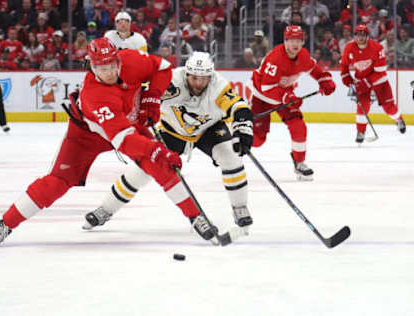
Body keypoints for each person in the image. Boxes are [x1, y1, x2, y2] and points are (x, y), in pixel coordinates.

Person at [0, 38, 219, 248]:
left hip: (127, 125)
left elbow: (164, 68)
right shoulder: (95, 95)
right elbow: (124, 142)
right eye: (102, 68)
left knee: (161, 167)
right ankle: (5, 224)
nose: (110, 72)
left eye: (113, 64)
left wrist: (152, 98)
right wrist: (157, 149)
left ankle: (195, 217)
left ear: (119, 59)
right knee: (58, 183)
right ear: (91, 67)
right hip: (87, 136)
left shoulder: (131, 60)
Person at [82, 51, 254, 232]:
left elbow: (238, 106)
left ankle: (239, 207)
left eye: (203, 78)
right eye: (194, 77)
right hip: (172, 131)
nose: (198, 83)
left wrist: (244, 129)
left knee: (231, 157)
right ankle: (106, 209)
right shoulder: (172, 80)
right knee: (143, 169)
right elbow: (142, 92)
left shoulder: (218, 85)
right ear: (187, 73)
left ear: (210, 76)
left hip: (209, 129)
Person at [249, 25, 336, 181]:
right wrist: (286, 97)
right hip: (261, 97)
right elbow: (267, 88)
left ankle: (300, 162)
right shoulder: (275, 58)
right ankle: (235, 141)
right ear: (285, 41)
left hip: (284, 95)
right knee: (257, 140)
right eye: (291, 40)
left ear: (303, 42)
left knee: (298, 125)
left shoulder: (302, 55)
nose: (295, 44)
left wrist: (324, 79)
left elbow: (314, 69)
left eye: (298, 40)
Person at [341, 24, 406, 144]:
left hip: (379, 81)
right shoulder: (349, 48)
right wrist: (347, 79)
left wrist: (366, 82)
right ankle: (361, 131)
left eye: (363, 35)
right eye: (358, 35)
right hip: (361, 80)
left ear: (367, 36)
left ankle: (398, 119)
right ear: (354, 36)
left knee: (389, 107)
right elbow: (344, 65)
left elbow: (380, 71)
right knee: (362, 106)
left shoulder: (377, 47)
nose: (360, 38)